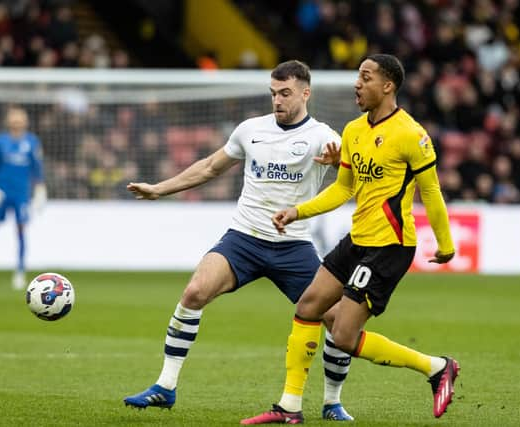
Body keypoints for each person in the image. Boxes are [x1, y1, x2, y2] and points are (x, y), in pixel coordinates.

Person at [123, 60, 355, 421]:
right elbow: (210, 166)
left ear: (306, 93)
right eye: (273, 93)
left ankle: (332, 401)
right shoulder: (250, 129)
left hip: (293, 246)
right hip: (244, 238)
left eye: (285, 93)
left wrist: (341, 164)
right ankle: (165, 387)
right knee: (194, 292)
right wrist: (159, 189)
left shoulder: (324, 137)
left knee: (338, 320)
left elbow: (353, 177)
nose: (277, 100)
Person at [242, 54, 459, 425]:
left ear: (388, 85)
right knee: (308, 306)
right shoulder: (355, 131)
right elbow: (343, 189)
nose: (357, 84)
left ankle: (438, 367)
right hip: (356, 239)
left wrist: (445, 243)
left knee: (343, 335)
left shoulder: (411, 134)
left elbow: (432, 192)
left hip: (389, 246)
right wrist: (299, 211)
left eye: (366, 77)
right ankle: (289, 407)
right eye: (358, 77)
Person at [0, 107, 47, 291]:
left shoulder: (32, 142)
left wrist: (40, 189)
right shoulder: (0, 141)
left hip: (21, 193)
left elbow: (37, 168)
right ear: (9, 121)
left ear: (25, 121)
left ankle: (20, 271)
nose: (17, 122)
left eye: (20, 119)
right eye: (14, 119)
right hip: (2, 192)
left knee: (20, 229)